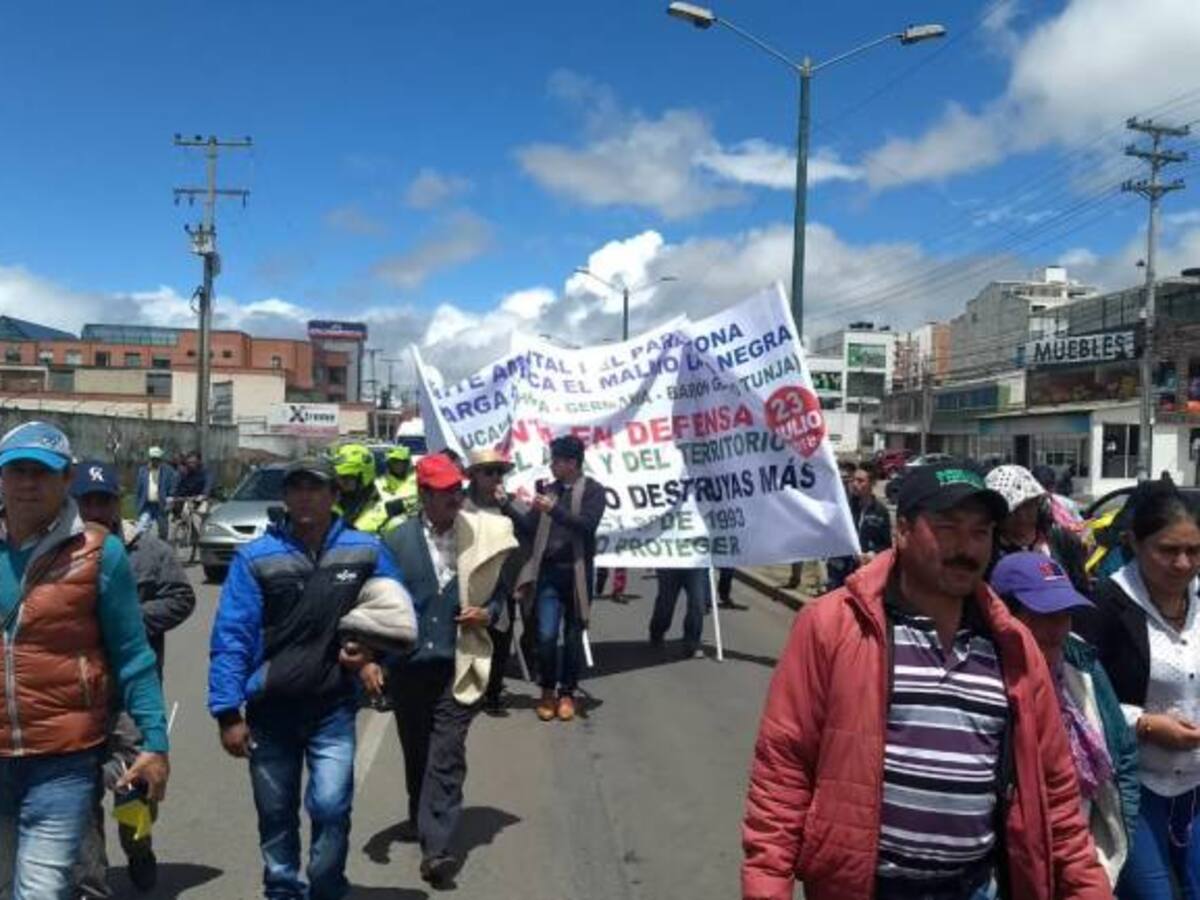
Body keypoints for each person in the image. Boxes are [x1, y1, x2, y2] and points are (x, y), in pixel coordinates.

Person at [742, 460, 1110, 900]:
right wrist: (767, 887)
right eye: (947, 528)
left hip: (977, 887)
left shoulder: (1013, 645)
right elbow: (783, 770)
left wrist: (1088, 889)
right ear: (902, 531)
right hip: (864, 887)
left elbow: (1055, 795)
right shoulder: (832, 625)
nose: (966, 548)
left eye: (980, 532)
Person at [208, 457, 403, 900]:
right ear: (285, 497)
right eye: (296, 488)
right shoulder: (256, 557)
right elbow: (232, 636)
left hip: (332, 709)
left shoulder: (365, 551)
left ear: (334, 495)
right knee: (275, 814)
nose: (305, 497)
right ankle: (282, 890)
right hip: (269, 712)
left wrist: (373, 655)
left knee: (331, 807)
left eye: (315, 488)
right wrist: (227, 712)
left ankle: (328, 887)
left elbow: (395, 612)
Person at [0, 422, 170, 898]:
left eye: (41, 472)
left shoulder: (100, 555)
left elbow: (133, 656)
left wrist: (155, 742)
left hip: (63, 758)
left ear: (65, 479)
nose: (28, 483)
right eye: (17, 471)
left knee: (42, 889)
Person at [368, 453, 515, 887]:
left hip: (460, 663)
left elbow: (500, 592)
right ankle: (420, 816)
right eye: (443, 492)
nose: (453, 498)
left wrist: (488, 612)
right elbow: (376, 599)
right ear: (423, 494)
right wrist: (372, 659)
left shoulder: (480, 534)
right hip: (408, 667)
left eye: (456, 490)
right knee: (417, 752)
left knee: (446, 754)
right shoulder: (395, 541)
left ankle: (437, 849)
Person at [71, 460, 197, 897]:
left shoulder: (149, 550)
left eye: (102, 501)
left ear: (116, 504)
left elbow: (182, 597)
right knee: (80, 799)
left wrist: (125, 620)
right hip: (76, 699)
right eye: (85, 501)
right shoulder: (58, 551)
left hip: (129, 696)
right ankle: (91, 881)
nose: (94, 510)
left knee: (134, 790)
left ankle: (139, 849)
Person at [1075, 480, 1200, 899]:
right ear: (1135, 544)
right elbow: (1082, 698)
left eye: (1194, 551)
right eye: (1168, 550)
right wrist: (1143, 724)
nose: (1182, 563)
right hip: (1133, 786)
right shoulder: (1105, 607)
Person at [991, 552, 1138, 889]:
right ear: (1004, 615)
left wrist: (1105, 854)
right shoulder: (987, 685)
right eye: (1043, 615)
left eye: (1066, 614)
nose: (1058, 628)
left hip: (1085, 858)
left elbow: (1124, 756)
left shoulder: (1082, 667)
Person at [500, 435, 605, 723]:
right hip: (548, 575)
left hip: (577, 573)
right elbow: (529, 527)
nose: (552, 465)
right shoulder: (550, 491)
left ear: (572, 463)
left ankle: (567, 693)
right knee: (546, 636)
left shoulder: (594, 491)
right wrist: (506, 505)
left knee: (572, 636)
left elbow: (586, 526)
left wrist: (553, 510)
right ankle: (547, 690)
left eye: (556, 461)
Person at [462, 449, 531, 715]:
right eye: (489, 472)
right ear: (475, 476)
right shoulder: (461, 503)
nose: (495, 478)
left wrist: (506, 507)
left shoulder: (511, 502)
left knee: (500, 638)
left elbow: (530, 530)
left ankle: (492, 692)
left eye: (499, 472)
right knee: (469, 635)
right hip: (470, 579)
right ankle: (470, 687)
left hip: (503, 581)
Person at [986, 464, 1090, 596]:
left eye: (1028, 505)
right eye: (1014, 509)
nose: (1022, 516)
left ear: (1039, 503)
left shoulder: (1062, 539)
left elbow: (1080, 588)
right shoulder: (987, 550)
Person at [826, 464, 892, 591]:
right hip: (839, 572)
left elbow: (886, 546)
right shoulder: (844, 507)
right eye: (853, 480)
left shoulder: (880, 512)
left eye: (860, 481)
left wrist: (871, 555)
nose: (855, 484)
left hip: (863, 574)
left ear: (872, 483)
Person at [649, 567, 710, 658]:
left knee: (698, 602)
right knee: (666, 603)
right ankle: (657, 632)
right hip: (669, 566)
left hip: (696, 567)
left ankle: (692, 642)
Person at [331, 443, 390, 534]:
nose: (340, 483)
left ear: (364, 477)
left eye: (347, 477)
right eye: (338, 478)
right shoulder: (330, 505)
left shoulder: (384, 507)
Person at [135, 446, 178, 540]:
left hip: (161, 505)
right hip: (147, 505)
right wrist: (138, 504)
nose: (155, 461)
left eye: (157, 459)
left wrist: (170, 496)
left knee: (163, 530)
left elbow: (174, 483)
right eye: (153, 459)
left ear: (160, 459)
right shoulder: (143, 471)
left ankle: (163, 545)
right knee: (141, 527)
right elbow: (139, 489)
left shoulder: (168, 471)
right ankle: (140, 545)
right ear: (149, 458)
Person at [376, 445, 419, 524]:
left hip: (416, 519)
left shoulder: (415, 479)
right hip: (393, 521)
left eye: (401, 463)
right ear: (389, 464)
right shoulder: (382, 481)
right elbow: (387, 503)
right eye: (395, 462)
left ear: (407, 463)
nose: (398, 466)